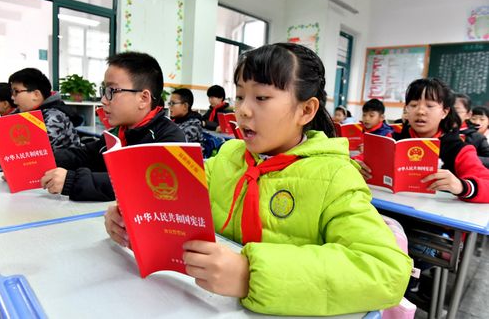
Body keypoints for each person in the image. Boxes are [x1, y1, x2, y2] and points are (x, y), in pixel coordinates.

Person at [105, 43, 412, 316]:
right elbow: (177, 203)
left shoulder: (334, 177)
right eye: (239, 96)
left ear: (306, 110)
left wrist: (251, 275)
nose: (243, 111)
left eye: (262, 97)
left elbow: (386, 271)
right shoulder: (229, 157)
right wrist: (135, 218)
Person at [40, 52, 186, 201]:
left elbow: (139, 184)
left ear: (143, 98)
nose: (103, 100)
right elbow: (87, 154)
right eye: (104, 91)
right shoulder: (121, 131)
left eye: (111, 91)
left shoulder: (169, 139)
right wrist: (43, 158)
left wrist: (71, 181)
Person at [358, 78, 489, 203]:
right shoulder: (391, 141)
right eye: (413, 105)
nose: (420, 111)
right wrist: (357, 168)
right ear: (407, 109)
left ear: (444, 112)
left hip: (434, 220)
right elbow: (356, 162)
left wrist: (462, 186)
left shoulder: (459, 150)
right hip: (388, 209)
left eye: (430, 105)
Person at [8, 68, 82, 150]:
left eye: (16, 92)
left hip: (63, 162)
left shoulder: (54, 117)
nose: (12, 97)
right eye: (12, 92)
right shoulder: (22, 113)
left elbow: (30, 151)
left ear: (36, 95)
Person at [453, 93, 489, 168]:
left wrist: (468, 158)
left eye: (456, 111)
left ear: (468, 115)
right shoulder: (435, 132)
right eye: (447, 109)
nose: (451, 114)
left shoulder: (477, 137)